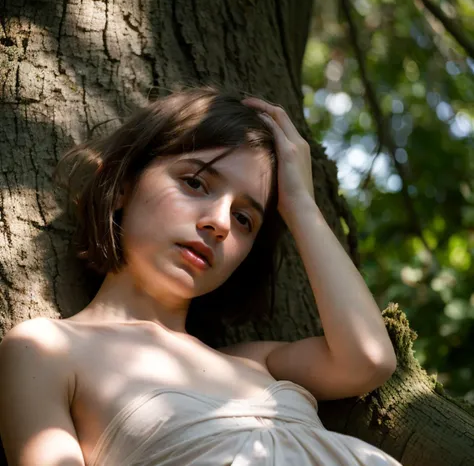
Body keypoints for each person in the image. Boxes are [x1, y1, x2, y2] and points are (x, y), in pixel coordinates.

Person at [0, 86, 402, 465]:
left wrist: (299, 203)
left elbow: (369, 359)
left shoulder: (258, 362)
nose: (220, 223)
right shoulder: (48, 349)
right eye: (195, 183)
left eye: (244, 218)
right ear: (122, 184)